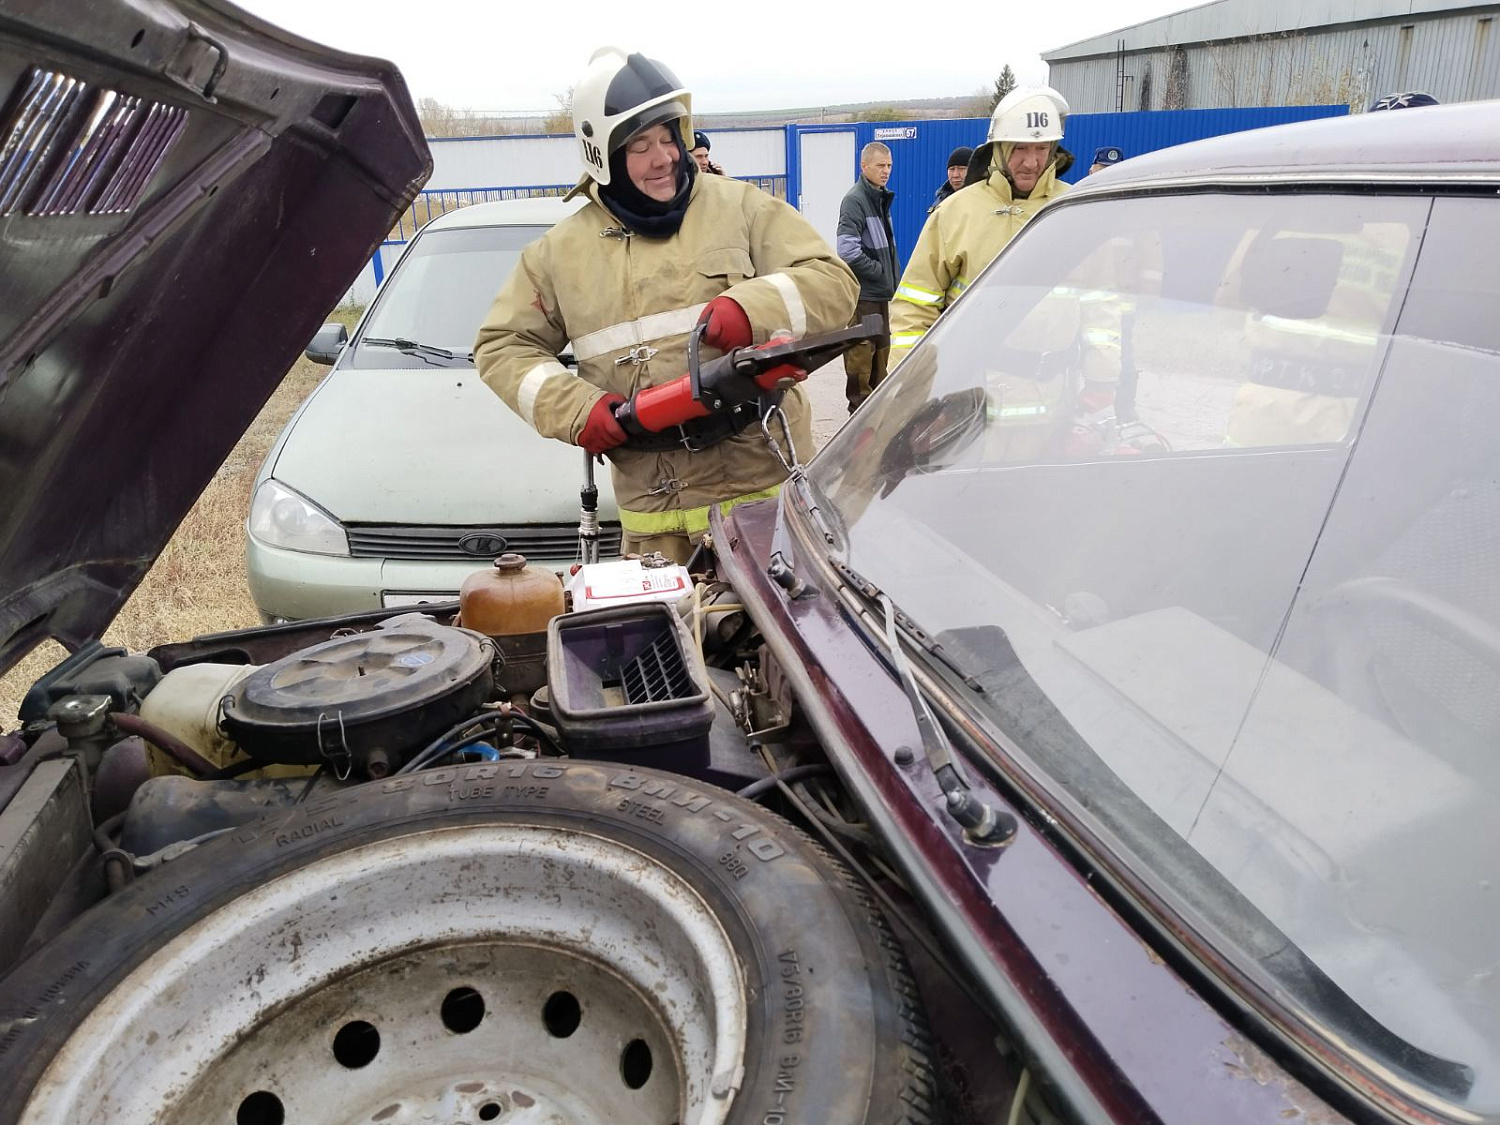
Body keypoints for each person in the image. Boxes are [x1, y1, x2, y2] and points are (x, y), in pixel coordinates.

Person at [475, 47, 857, 563]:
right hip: (654, 526)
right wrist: (578, 409)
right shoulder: (556, 254)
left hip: (768, 504)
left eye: (668, 138)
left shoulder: (741, 207)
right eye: (639, 146)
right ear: (603, 157)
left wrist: (752, 308)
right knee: (666, 644)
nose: (663, 157)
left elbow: (833, 282)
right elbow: (502, 346)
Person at [889, 86, 1071, 364]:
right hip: (967, 386)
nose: (1031, 162)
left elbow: (1103, 301)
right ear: (998, 150)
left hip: (1055, 391)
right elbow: (914, 307)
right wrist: (909, 388)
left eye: (1042, 148)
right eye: (1019, 148)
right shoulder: (955, 212)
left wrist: (1101, 379)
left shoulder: (1072, 208)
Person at [836, 142, 898, 413]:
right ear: (864, 167)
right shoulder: (856, 200)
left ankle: (877, 420)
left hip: (881, 295)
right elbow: (847, 249)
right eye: (880, 166)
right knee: (861, 365)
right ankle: (858, 423)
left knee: (880, 364)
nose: (886, 172)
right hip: (864, 297)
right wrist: (879, 272)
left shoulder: (880, 197)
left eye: (889, 166)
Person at [928, 145, 973, 212]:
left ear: (973, 171)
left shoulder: (982, 199)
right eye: (952, 169)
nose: (955, 175)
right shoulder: (941, 200)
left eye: (961, 169)